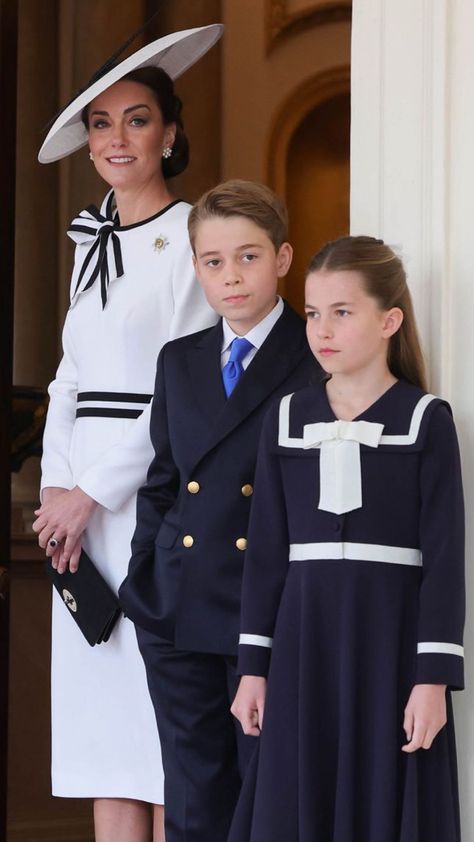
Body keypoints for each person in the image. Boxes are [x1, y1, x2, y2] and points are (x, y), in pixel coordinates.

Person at [31, 25, 222, 842]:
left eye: (137, 119)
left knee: (160, 737)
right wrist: (52, 490)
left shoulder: (194, 241)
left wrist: (91, 492)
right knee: (103, 742)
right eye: (101, 123)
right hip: (73, 519)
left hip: (146, 504)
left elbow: (181, 395)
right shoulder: (87, 244)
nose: (117, 138)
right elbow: (69, 375)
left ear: (170, 133)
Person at [230, 235, 465, 842]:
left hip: (390, 650)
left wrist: (432, 680)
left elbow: (444, 561)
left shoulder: (425, 421)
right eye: (312, 313)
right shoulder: (285, 419)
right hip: (302, 648)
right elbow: (265, 557)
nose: (321, 329)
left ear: (389, 321)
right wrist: (254, 668)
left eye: (342, 312)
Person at [118, 179, 322, 842]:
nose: (230, 276)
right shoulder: (180, 361)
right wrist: (144, 578)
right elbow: (163, 482)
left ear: (284, 259)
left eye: (248, 256)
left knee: (269, 797)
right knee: (193, 798)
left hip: (269, 613)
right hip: (177, 610)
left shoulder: (317, 355)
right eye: (213, 261)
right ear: (196, 267)